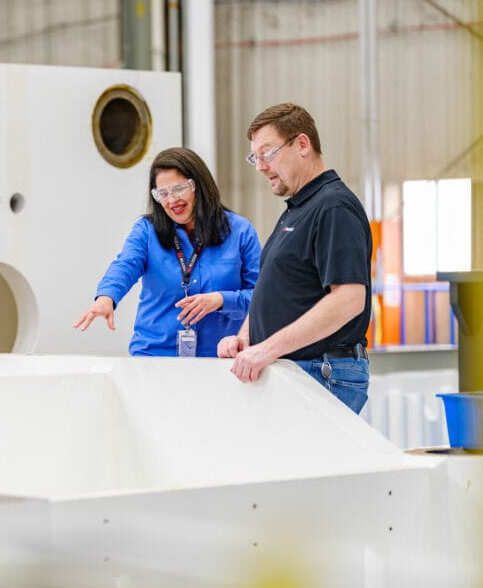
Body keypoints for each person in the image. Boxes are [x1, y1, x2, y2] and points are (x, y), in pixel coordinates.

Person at [217, 103, 372, 413]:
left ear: (302, 144)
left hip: (322, 374)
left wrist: (266, 350)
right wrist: (246, 337)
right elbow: (279, 290)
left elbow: (350, 299)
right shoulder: (300, 209)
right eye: (254, 157)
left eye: (267, 153)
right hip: (297, 370)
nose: (260, 166)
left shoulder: (333, 208)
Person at [74, 147, 260, 357]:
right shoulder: (146, 230)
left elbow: (261, 296)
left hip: (220, 359)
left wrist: (221, 300)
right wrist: (106, 298)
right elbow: (125, 265)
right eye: (162, 193)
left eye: (179, 189)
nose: (172, 201)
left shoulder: (241, 231)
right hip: (154, 355)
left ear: (199, 186)